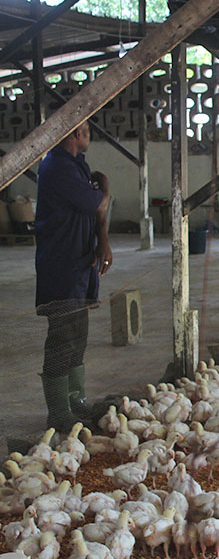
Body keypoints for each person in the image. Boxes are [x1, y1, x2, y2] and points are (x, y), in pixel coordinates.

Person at [35, 121, 112, 431]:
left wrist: (102, 238)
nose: (89, 136)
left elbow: (97, 212)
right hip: (62, 264)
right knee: (62, 337)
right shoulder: (57, 167)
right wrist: (105, 188)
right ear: (75, 133)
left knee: (77, 335)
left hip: (79, 263)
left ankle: (75, 399)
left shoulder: (76, 165)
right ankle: (58, 411)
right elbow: (97, 203)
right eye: (87, 131)